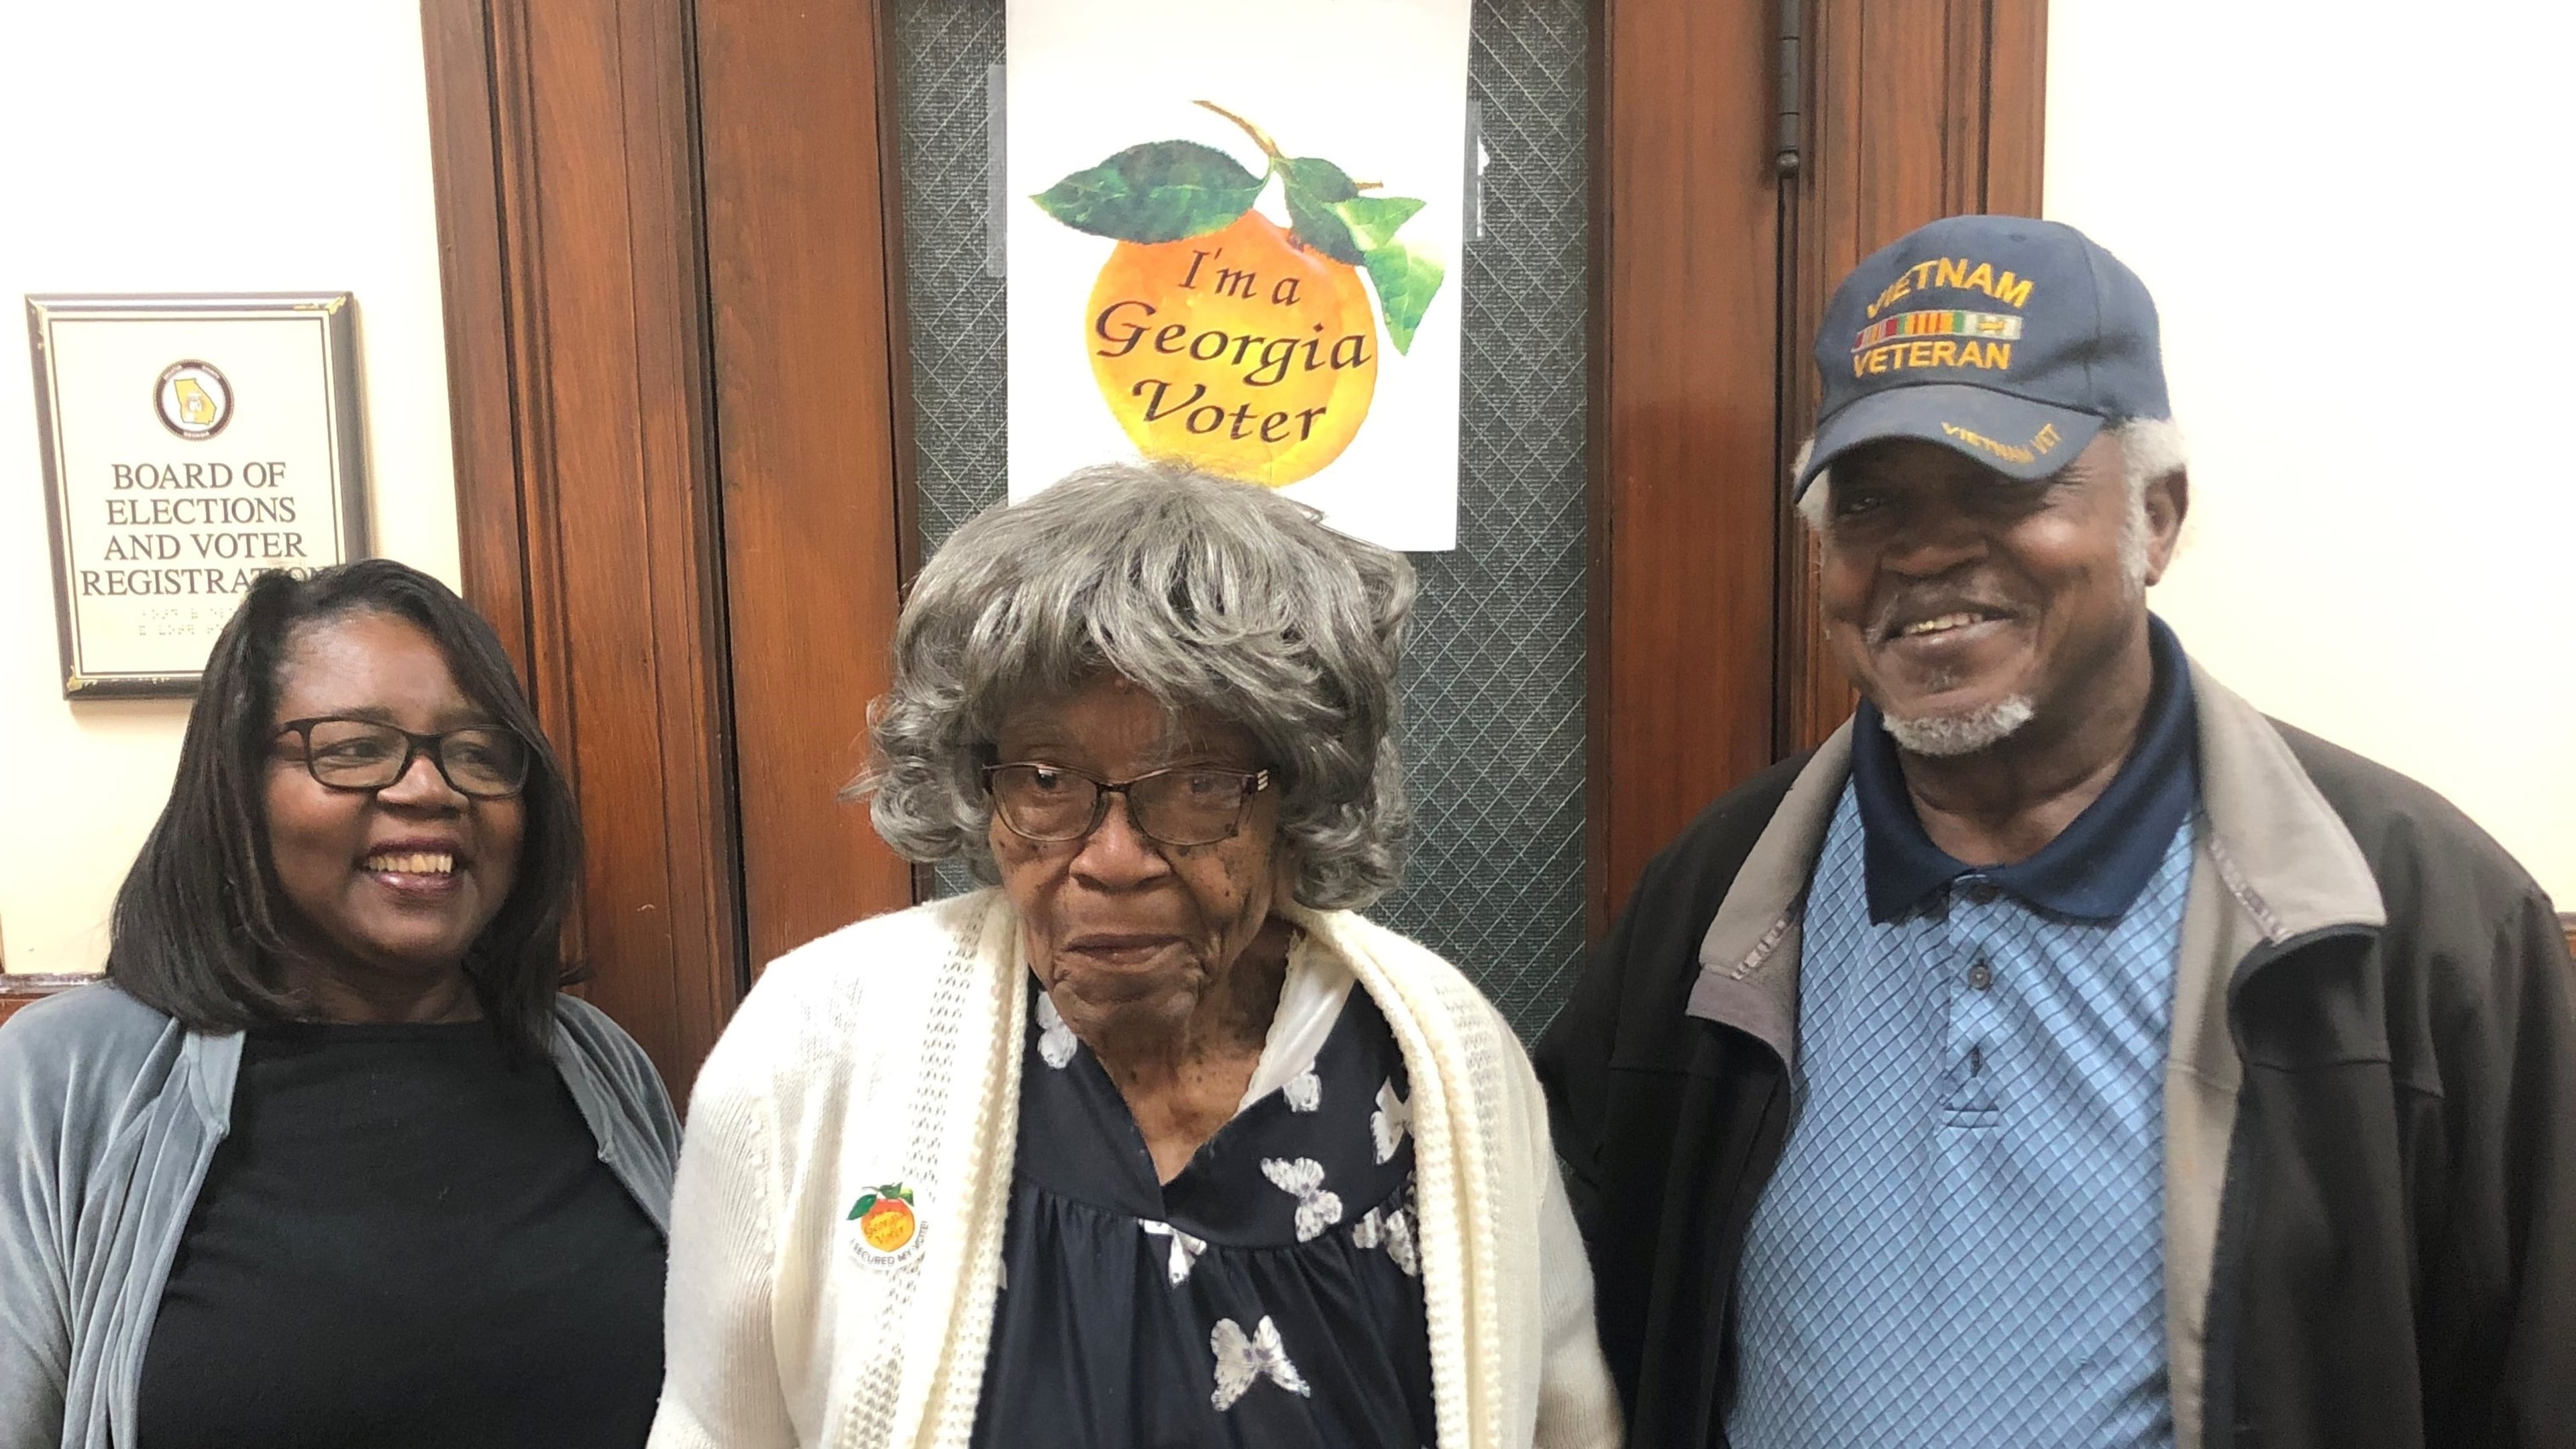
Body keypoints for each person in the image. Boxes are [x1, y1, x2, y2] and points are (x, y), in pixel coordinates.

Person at [1536, 214, 2576, 1448]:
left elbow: (2534, 1378)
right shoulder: (1720, 903)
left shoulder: (2413, 918)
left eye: (2002, 482)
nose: (1921, 553)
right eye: (1868, 504)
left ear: (2160, 519)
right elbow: (1568, 1306)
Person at [649, 463, 1619, 1449]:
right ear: (981, 790)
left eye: (1200, 783)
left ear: (1296, 795)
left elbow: (1563, 1413)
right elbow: (711, 1426)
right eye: (1046, 777)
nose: (1113, 860)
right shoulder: (817, 1042)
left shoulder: (1444, 1060)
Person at [0, 560, 680, 1449]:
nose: (430, 789)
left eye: (479, 754)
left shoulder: (599, 1063)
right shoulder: (68, 1078)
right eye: (356, 748)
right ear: (239, 785)